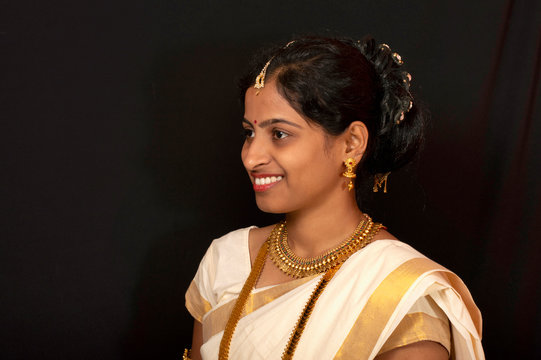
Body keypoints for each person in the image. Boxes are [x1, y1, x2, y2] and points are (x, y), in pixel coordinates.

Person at [184, 36, 484, 359]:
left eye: (279, 134)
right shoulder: (224, 263)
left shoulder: (402, 296)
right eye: (249, 133)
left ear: (352, 143)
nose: (251, 157)